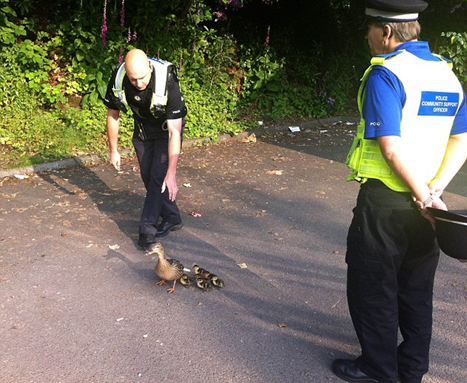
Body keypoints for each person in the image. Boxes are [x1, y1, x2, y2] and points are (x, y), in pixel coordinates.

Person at [332, 1, 467, 383]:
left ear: (386, 32)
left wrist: (422, 193)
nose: (366, 36)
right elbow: (462, 138)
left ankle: (378, 368)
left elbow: (390, 147)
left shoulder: (386, 74)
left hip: (386, 204)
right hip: (428, 206)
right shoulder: (445, 74)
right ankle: (411, 370)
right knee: (416, 290)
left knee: (373, 287)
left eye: (369, 28)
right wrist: (433, 191)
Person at [103, 48, 187, 251]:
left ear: (149, 68)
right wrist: (113, 150)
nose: (138, 84)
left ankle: (146, 232)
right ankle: (173, 217)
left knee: (159, 178)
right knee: (148, 176)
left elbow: (175, 132)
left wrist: (172, 173)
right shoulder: (119, 77)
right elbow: (113, 115)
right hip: (143, 130)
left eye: (142, 78)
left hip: (166, 131)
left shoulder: (168, 80)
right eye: (133, 80)